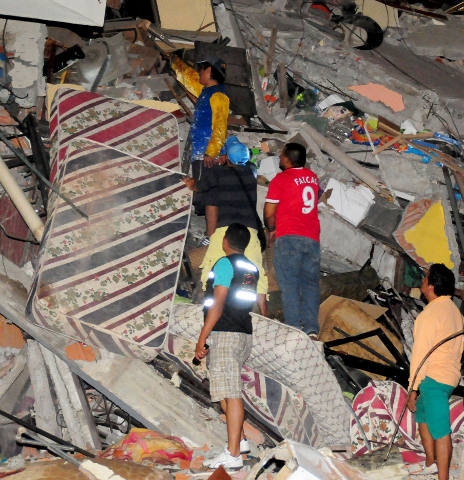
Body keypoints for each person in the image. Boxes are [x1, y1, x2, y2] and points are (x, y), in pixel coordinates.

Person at [195, 224, 258, 470]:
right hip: (243, 333)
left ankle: (232, 455)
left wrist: (202, 337)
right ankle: (240, 442)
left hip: (225, 333)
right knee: (224, 390)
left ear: (225, 241)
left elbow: (218, 302)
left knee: (231, 395)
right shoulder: (251, 268)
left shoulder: (224, 264)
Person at [183, 137, 269, 315]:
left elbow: (202, 188)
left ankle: (202, 308)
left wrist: (192, 184)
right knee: (257, 272)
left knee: (211, 268)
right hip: (250, 232)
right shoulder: (251, 172)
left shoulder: (219, 173)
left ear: (227, 158)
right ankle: (264, 315)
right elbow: (245, 164)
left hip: (226, 230)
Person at [407, 264, 464, 480]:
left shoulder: (429, 314)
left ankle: (443, 477)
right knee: (422, 413)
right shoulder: (454, 312)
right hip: (448, 376)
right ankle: (430, 462)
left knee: (441, 430)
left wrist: (412, 388)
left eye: (425, 278)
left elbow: (420, 354)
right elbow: (459, 347)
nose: (422, 281)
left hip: (435, 378)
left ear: (431, 286)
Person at [263, 143, 321, 335]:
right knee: (310, 284)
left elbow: (269, 212)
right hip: (312, 237)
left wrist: (271, 229)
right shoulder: (312, 178)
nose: (279, 158)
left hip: (289, 237)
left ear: (287, 159)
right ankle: (312, 328)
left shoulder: (280, 179)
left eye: (281, 156)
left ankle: (294, 328)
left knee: (289, 284)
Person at [171, 54, 230, 237]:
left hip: (208, 154)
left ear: (209, 71)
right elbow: (190, 80)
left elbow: (220, 126)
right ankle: (210, 234)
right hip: (201, 153)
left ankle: (211, 236)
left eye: (201, 70)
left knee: (209, 194)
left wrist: (211, 153)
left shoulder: (219, 95)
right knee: (205, 194)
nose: (199, 73)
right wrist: (174, 62)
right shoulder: (207, 91)